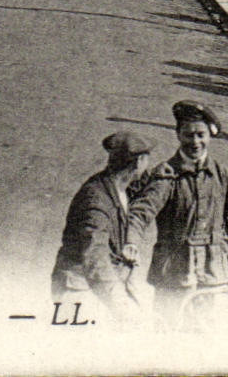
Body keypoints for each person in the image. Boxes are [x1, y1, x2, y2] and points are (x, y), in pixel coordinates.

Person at [122, 101, 228, 324]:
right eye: (188, 135)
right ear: (178, 136)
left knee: (209, 339)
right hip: (174, 275)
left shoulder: (223, 177)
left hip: (214, 275)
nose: (195, 142)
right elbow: (140, 213)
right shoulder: (167, 175)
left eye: (200, 134)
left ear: (209, 136)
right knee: (170, 334)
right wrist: (131, 242)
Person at [51, 131, 155, 325]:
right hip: (81, 292)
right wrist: (122, 305)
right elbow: (95, 256)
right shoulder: (96, 200)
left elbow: (148, 185)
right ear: (140, 161)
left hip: (98, 286)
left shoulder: (117, 186)